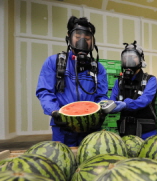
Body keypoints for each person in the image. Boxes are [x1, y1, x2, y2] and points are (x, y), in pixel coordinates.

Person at [36, 16, 108, 147]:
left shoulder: (98, 68)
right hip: (62, 126)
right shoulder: (54, 62)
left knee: (90, 159)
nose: (82, 41)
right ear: (69, 37)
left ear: (92, 41)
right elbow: (45, 91)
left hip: (91, 126)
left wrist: (101, 112)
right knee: (64, 159)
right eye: (78, 36)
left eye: (87, 38)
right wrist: (55, 112)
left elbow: (101, 95)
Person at [109, 41, 157, 139]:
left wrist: (126, 104)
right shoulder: (118, 82)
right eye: (125, 57)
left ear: (141, 60)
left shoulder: (150, 80)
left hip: (146, 133)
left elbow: (145, 100)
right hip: (126, 133)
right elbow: (112, 101)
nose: (129, 60)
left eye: (133, 57)